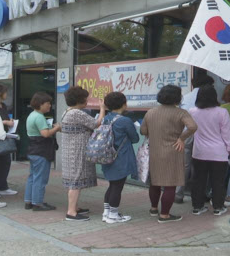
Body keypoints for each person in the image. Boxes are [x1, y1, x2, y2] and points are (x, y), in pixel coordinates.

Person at [140, 85, 197, 223]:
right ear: (178, 97)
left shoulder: (150, 112)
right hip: (173, 151)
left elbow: (143, 131)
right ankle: (165, 215)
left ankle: (154, 209)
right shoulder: (181, 113)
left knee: (155, 182)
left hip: (154, 151)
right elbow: (193, 126)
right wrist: (181, 138)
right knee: (170, 184)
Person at [189, 85, 230, 216]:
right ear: (214, 96)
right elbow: (227, 133)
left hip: (199, 152)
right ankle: (218, 207)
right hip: (218, 153)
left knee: (198, 180)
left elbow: (188, 130)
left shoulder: (192, 111)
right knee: (218, 181)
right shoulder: (222, 112)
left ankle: (197, 207)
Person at [60, 86, 105, 221]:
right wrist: (102, 109)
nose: (87, 100)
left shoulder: (67, 112)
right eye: (85, 98)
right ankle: (71, 212)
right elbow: (96, 123)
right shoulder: (77, 113)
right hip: (77, 151)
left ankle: (75, 207)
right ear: (80, 100)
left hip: (70, 150)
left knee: (73, 180)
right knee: (76, 181)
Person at [101, 92, 140, 224]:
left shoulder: (106, 118)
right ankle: (113, 215)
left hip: (107, 155)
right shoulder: (125, 120)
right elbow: (135, 138)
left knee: (112, 185)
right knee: (117, 186)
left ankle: (106, 213)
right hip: (120, 157)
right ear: (124, 104)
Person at [175, 74, 215, 204]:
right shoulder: (209, 99)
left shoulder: (184, 98)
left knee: (184, 165)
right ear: (208, 85)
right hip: (203, 135)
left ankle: (178, 194)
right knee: (201, 166)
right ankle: (200, 194)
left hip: (185, 134)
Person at [25, 92, 61, 211]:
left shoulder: (32, 115)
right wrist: (56, 128)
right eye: (47, 103)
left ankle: (29, 200)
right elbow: (45, 134)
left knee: (33, 176)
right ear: (40, 104)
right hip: (41, 151)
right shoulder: (39, 117)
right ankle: (38, 203)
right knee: (40, 178)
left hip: (33, 149)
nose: (49, 106)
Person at [0, 83, 18, 196]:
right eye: (5, 92)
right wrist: (5, 122)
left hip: (5, 136)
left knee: (6, 161)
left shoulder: (4, 106)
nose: (7, 94)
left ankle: (3, 186)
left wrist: (10, 122)